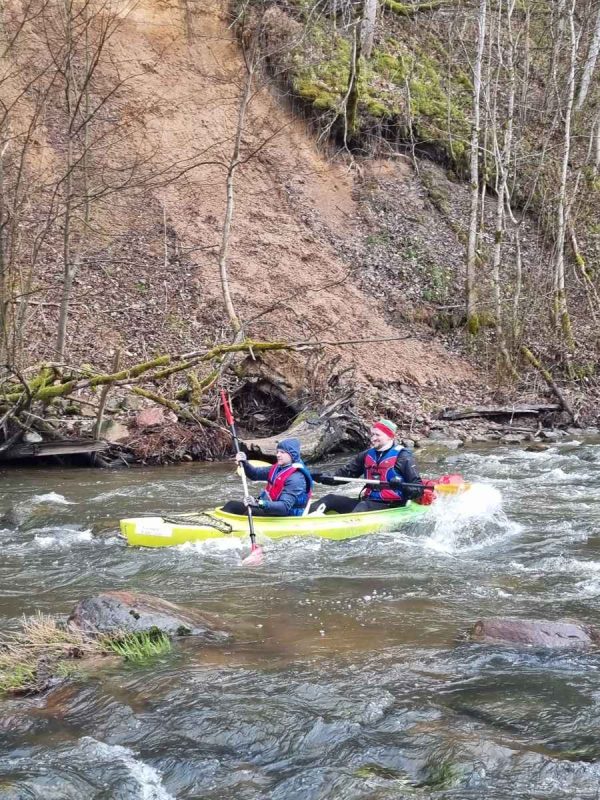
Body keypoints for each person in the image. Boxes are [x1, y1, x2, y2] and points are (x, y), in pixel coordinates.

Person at [310, 419, 423, 514]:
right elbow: (344, 475)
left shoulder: (403, 456)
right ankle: (302, 519)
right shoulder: (366, 455)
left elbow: (418, 489)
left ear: (389, 436)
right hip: (368, 502)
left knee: (364, 507)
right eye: (372, 434)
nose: (373, 438)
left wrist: (401, 486)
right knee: (330, 499)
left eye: (377, 435)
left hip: (392, 506)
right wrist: (321, 477)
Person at [221, 438, 313, 517]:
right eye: (277, 452)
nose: (278, 455)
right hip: (270, 507)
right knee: (231, 505)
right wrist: (245, 462)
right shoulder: (279, 468)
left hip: (287, 514)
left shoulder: (296, 478)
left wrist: (258, 503)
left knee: (252, 512)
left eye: (282, 452)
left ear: (292, 455)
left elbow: (284, 507)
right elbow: (255, 474)